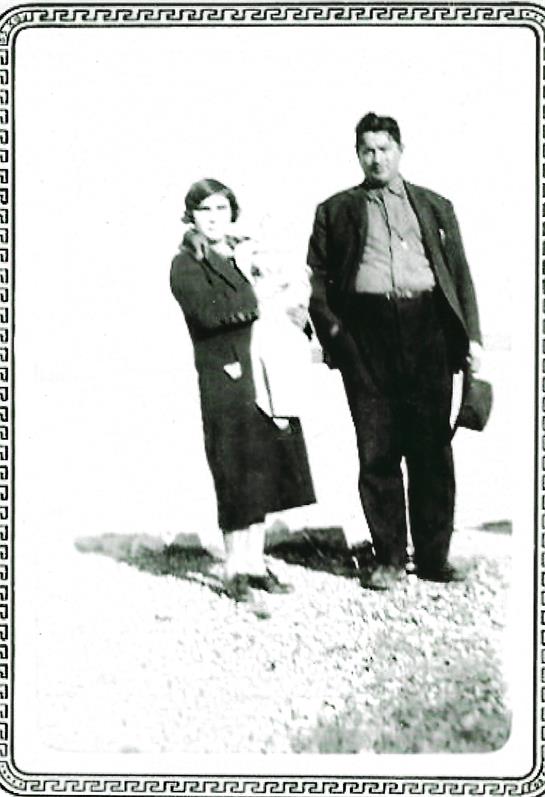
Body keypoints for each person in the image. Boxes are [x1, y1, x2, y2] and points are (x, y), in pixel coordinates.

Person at [307, 112, 482, 587]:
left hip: (428, 333)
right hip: (367, 338)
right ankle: (387, 557)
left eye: (384, 148)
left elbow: (459, 276)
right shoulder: (335, 210)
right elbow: (317, 284)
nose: (375, 157)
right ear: (357, 154)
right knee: (377, 450)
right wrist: (338, 338)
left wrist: (472, 341)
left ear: (400, 150)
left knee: (431, 450)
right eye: (367, 149)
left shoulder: (435, 206)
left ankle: (432, 557)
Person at [170, 178, 316, 605]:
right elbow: (209, 314)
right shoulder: (186, 263)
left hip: (259, 374)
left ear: (231, 213)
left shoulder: (237, 256)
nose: (213, 219)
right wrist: (262, 296)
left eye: (221, 210)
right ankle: (234, 567)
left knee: (261, 467)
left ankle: (254, 563)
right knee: (233, 468)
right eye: (204, 210)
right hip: (224, 377)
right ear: (191, 215)